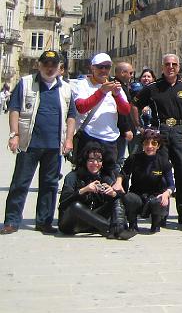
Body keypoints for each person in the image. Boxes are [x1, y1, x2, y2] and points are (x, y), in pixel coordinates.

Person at [3, 50, 76, 235]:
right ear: (39, 65)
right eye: (46, 64)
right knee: (20, 183)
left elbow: (71, 116)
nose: (49, 68)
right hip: (29, 143)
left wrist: (69, 140)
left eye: (53, 65)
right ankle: (12, 221)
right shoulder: (26, 83)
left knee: (50, 185)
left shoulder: (66, 88)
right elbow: (14, 109)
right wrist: (14, 134)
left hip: (54, 145)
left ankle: (44, 221)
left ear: (60, 67)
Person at [131, 54, 182, 225]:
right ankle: (160, 213)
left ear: (178, 67)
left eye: (174, 64)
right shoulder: (153, 88)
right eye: (167, 64)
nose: (171, 67)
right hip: (159, 131)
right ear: (162, 67)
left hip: (178, 131)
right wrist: (140, 127)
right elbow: (134, 105)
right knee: (160, 172)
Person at [71, 53, 131, 182]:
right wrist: (101, 92)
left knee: (109, 177)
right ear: (92, 68)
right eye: (100, 67)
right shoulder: (82, 85)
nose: (103, 70)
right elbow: (81, 107)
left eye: (107, 67)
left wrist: (117, 96)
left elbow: (125, 110)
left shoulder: (115, 85)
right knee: (85, 176)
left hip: (110, 139)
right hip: (89, 136)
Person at [57, 143, 133, 239]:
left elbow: (123, 197)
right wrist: (84, 190)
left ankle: (120, 228)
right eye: (91, 160)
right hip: (71, 224)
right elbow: (64, 201)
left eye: (99, 160)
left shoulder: (104, 177)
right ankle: (112, 229)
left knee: (116, 198)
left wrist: (112, 193)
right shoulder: (73, 176)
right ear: (85, 161)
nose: (95, 164)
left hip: (94, 223)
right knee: (76, 206)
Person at [120, 129, 174, 234]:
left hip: (155, 196)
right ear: (142, 145)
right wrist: (118, 182)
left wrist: (167, 193)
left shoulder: (164, 162)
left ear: (158, 146)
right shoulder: (134, 158)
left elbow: (171, 184)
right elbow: (123, 173)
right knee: (129, 198)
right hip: (137, 194)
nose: (150, 146)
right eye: (146, 143)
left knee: (160, 200)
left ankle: (155, 224)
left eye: (154, 143)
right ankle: (133, 224)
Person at [113, 61, 137, 160]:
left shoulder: (122, 86)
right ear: (123, 73)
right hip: (120, 131)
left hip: (121, 130)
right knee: (119, 160)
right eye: (130, 73)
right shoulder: (118, 87)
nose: (131, 76)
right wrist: (126, 129)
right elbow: (121, 111)